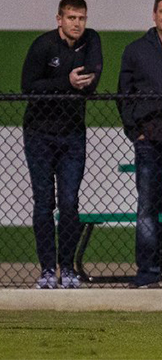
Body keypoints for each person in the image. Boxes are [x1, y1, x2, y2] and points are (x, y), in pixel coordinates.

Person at [21, 0, 102, 289]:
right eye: (71, 17)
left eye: (81, 17)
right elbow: (28, 86)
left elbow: (93, 77)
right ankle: (46, 270)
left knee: (69, 203)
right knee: (44, 203)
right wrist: (66, 82)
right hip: (39, 133)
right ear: (59, 19)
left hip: (72, 134)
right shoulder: (43, 45)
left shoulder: (91, 39)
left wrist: (77, 83)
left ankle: (67, 268)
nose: (77, 23)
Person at [118, 0, 162, 289]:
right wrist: (137, 132)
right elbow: (124, 94)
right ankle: (148, 272)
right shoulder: (136, 50)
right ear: (155, 14)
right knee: (147, 207)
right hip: (149, 141)